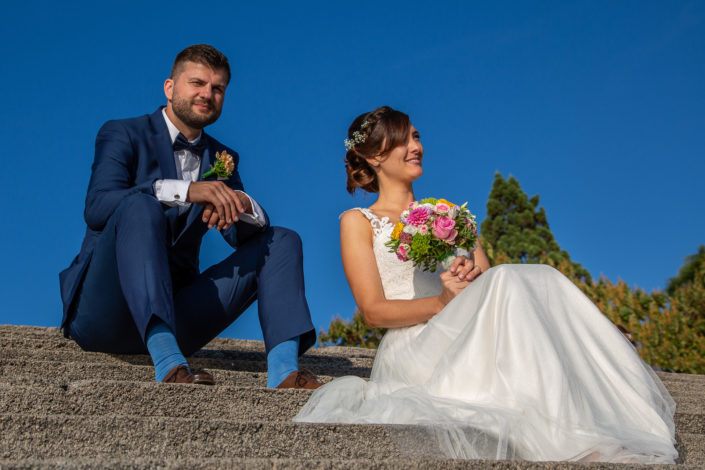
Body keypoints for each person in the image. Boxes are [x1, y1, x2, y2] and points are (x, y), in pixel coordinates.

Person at [294, 106, 678, 462]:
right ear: (375, 156)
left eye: (417, 137)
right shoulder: (358, 221)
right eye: (405, 139)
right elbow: (373, 312)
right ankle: (569, 439)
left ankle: (576, 425)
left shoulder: (453, 216)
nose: (417, 146)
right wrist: (442, 301)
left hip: (468, 333)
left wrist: (468, 279)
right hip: (413, 349)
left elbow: (490, 283)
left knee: (536, 276)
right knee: (511, 280)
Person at [58, 44, 321, 389]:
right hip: (104, 313)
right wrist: (185, 190)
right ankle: (168, 364)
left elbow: (241, 237)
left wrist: (241, 202)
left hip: (179, 313)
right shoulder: (123, 133)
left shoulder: (223, 157)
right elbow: (97, 207)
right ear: (170, 88)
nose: (207, 94)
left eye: (217, 88)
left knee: (282, 239)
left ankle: (285, 372)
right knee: (141, 204)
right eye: (197, 83)